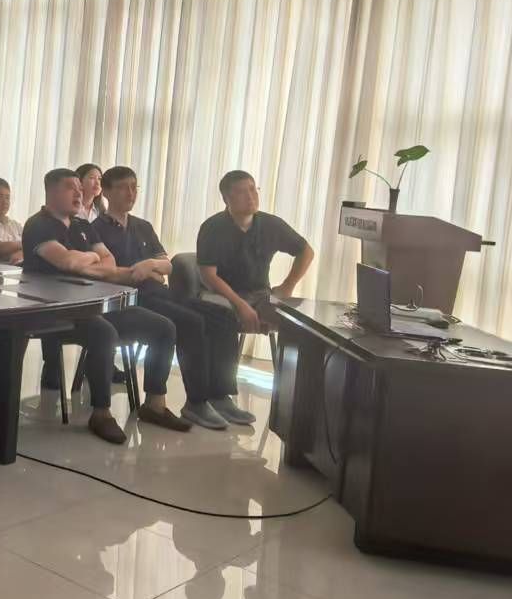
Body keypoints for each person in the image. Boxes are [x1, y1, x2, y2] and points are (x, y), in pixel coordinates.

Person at [21, 169, 184, 443]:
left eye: (79, 187)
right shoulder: (39, 225)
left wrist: (87, 262)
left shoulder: (82, 226)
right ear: (51, 191)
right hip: (56, 309)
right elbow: (67, 262)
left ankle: (155, 404)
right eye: (70, 187)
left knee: (163, 328)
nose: (79, 192)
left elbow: (108, 262)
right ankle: (101, 413)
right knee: (104, 333)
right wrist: (89, 258)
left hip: (94, 303)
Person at [92, 166, 234, 430]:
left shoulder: (142, 226)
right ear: (107, 192)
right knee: (190, 321)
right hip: (132, 298)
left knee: (222, 316)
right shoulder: (96, 229)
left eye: (134, 187)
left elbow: (167, 265)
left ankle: (221, 394)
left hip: (160, 292)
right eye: (123, 187)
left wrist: (149, 265)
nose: (131, 193)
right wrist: (145, 271)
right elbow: (110, 275)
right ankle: (196, 402)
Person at [195, 170, 315, 413]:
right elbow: (209, 276)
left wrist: (288, 286)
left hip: (260, 295)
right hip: (220, 294)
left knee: (298, 323)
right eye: (241, 192)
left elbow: (306, 251)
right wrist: (240, 305)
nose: (250, 196)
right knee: (225, 317)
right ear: (226, 198)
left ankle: (300, 398)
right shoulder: (213, 227)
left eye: (253, 189)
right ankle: (221, 396)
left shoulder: (270, 224)